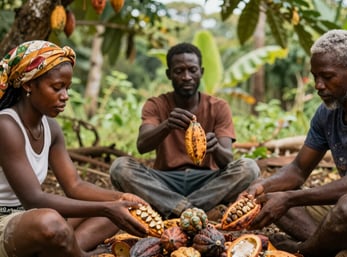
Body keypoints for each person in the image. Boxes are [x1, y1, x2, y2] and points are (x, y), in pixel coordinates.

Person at [0, 40, 150, 257]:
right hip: (7, 224)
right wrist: (106, 207)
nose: (65, 96)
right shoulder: (6, 126)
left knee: (124, 210)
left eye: (67, 88)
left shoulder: (50, 128)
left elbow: (74, 185)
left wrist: (120, 198)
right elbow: (34, 198)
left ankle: (67, 250)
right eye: (57, 87)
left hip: (30, 220)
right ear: (28, 85)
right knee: (51, 221)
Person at [240, 30, 347, 257]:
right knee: (268, 200)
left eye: (327, 76)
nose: (318, 85)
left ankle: (306, 250)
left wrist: (290, 198)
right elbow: (298, 170)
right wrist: (261, 188)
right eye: (315, 76)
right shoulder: (327, 114)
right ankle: (342, 249)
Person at [109, 42, 260, 220]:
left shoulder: (218, 106)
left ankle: (172, 209)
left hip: (206, 181)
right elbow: (142, 145)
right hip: (165, 181)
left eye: (192, 70)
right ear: (169, 74)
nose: (186, 76)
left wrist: (215, 147)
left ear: (201, 72)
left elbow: (227, 160)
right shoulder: (156, 104)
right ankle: (190, 210)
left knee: (249, 167)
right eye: (179, 71)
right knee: (120, 167)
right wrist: (167, 125)